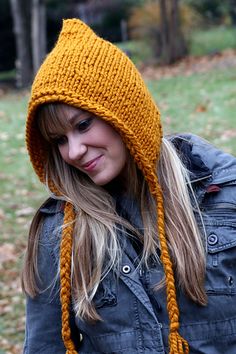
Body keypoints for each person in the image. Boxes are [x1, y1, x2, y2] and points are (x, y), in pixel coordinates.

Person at [22, 19, 236, 354]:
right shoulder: (59, 233)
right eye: (59, 140)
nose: (74, 152)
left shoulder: (222, 193)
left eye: (83, 124)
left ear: (124, 111)